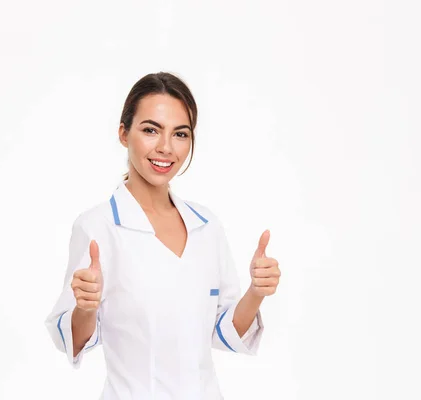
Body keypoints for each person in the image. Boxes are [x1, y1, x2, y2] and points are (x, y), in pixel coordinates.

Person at [45, 72, 281, 399]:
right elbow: (70, 340)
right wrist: (86, 307)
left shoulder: (206, 226)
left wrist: (257, 292)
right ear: (124, 134)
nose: (166, 148)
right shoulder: (97, 227)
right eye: (151, 130)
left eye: (180, 134)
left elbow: (224, 332)